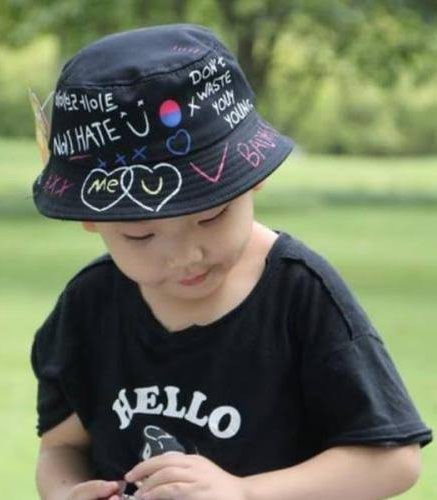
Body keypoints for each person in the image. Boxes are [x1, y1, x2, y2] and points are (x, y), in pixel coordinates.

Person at [29, 24, 432, 500]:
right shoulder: (88, 305)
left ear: (253, 179)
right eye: (141, 235)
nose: (185, 256)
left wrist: (243, 493)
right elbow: (62, 446)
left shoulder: (300, 294)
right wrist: (66, 493)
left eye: (211, 217)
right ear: (91, 221)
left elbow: (393, 460)